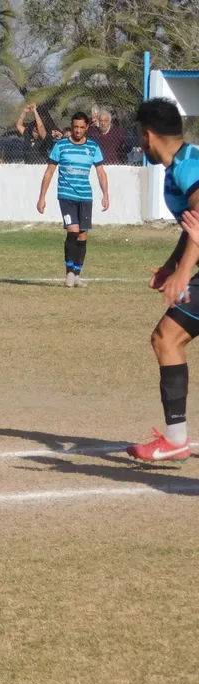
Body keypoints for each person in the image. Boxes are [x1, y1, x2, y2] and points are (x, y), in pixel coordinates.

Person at [128, 98, 199, 461]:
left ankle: (175, 440)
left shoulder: (188, 168)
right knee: (167, 338)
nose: (140, 145)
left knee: (166, 338)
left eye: (140, 137)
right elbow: (193, 226)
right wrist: (173, 265)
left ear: (148, 135)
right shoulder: (181, 166)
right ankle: (175, 439)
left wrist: (184, 272)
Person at [36, 112, 109, 288]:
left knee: (83, 235)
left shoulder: (93, 147)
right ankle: (69, 272)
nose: (77, 130)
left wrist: (105, 194)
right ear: (71, 125)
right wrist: (42, 196)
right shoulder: (61, 146)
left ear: (87, 128)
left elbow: (101, 172)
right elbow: (50, 171)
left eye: (81, 127)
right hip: (66, 196)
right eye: (75, 127)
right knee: (73, 231)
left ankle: (76, 274)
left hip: (85, 197)